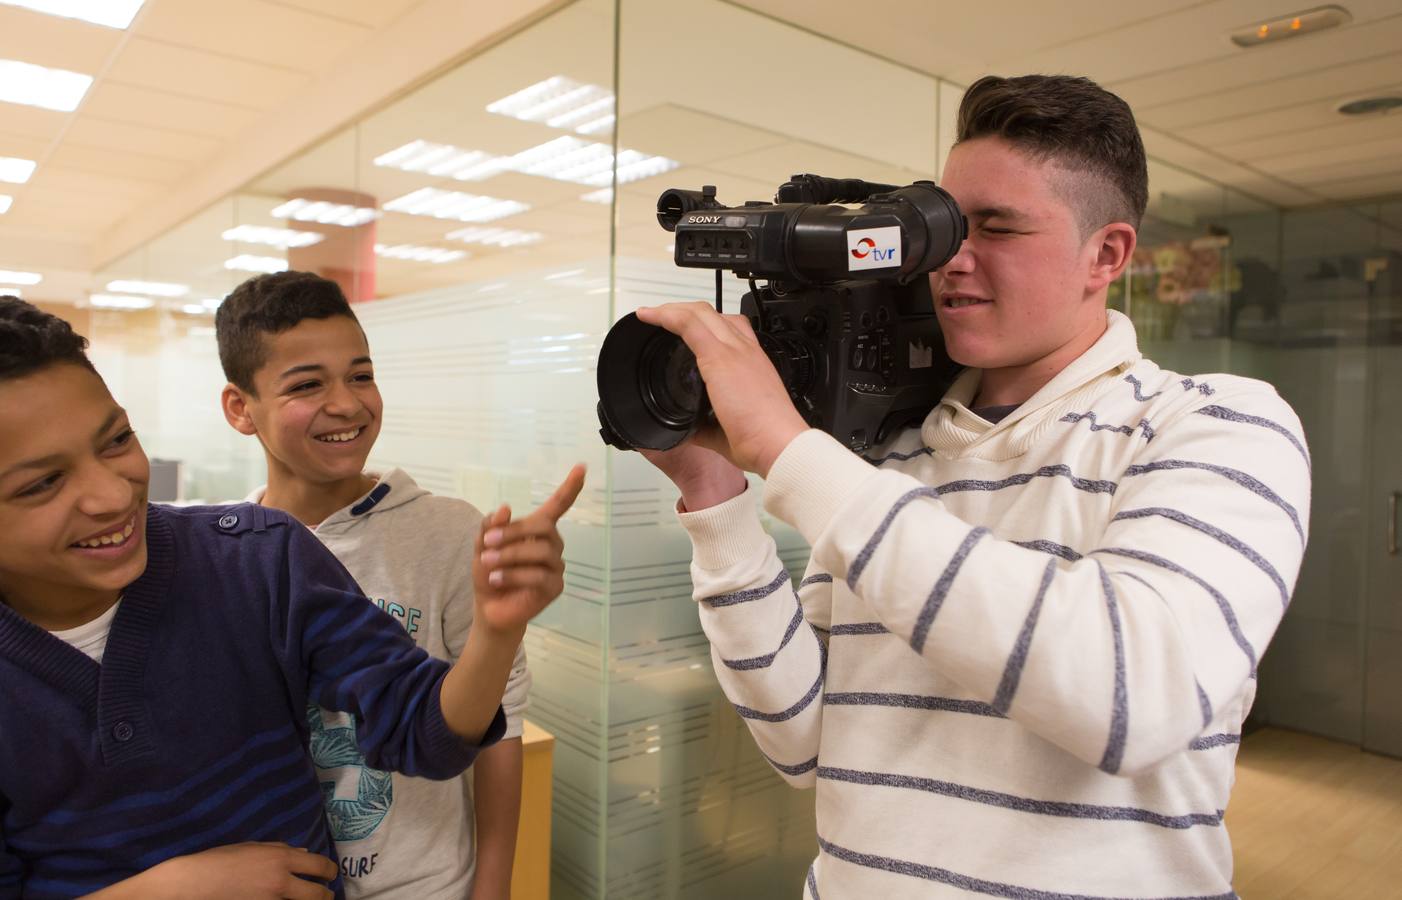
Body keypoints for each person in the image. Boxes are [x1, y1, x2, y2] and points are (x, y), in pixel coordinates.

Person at [637, 74, 1311, 898]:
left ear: (1107, 254)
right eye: (947, 226)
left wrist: (790, 451)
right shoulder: (891, 456)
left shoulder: (1217, 424)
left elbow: (1132, 698)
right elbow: (805, 742)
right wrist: (718, 503)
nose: (949, 260)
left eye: (997, 228)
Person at [0, 295, 583, 899]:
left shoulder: (262, 558)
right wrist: (175, 887)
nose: (111, 496)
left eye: (117, 440)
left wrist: (495, 632)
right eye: (44, 482)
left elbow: (424, 727)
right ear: (240, 407)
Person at [214, 271, 541, 900]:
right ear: (240, 408)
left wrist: (493, 888)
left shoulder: (447, 533)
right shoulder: (227, 553)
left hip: (427, 884)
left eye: (361, 375)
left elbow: (504, 727)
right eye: (307, 385)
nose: (347, 404)